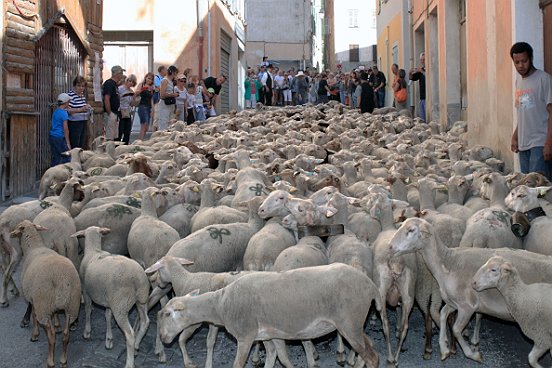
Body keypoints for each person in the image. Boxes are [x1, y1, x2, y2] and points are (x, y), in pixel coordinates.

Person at [510, 42, 552, 179]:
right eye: (517, 62)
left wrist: (548, 143)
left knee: (539, 189)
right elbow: (523, 113)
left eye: (524, 61)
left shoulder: (544, 79)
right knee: (527, 191)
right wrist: (515, 136)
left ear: (531, 58)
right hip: (523, 145)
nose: (521, 65)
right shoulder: (519, 82)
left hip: (539, 143)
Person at [66, 76, 91, 149]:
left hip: (83, 121)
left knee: (81, 143)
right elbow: (67, 110)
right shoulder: (70, 95)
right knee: (75, 144)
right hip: (74, 123)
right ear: (74, 86)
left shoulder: (82, 96)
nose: (81, 88)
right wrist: (81, 109)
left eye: (83, 86)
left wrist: (87, 107)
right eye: (79, 85)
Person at [49, 93, 72, 166]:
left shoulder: (56, 112)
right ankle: (62, 172)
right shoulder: (64, 114)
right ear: (66, 103)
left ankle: (52, 172)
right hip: (59, 137)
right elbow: (65, 129)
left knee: (56, 157)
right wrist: (68, 143)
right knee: (67, 156)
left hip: (52, 136)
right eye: (69, 101)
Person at [103, 65, 125, 140]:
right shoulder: (109, 83)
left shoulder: (115, 84)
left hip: (115, 112)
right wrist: (109, 112)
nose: (122, 75)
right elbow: (106, 98)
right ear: (117, 73)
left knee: (114, 136)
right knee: (109, 136)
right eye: (121, 73)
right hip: (111, 112)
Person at [157, 65, 179, 131]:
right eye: (176, 73)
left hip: (170, 105)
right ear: (173, 72)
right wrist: (173, 94)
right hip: (164, 105)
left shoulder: (171, 81)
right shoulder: (165, 80)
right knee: (164, 124)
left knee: (170, 124)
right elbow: (162, 95)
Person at [117, 74, 137, 144]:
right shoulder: (120, 89)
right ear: (127, 80)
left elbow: (132, 104)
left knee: (127, 131)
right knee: (120, 130)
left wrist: (134, 97)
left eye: (133, 82)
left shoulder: (131, 91)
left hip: (128, 112)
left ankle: (125, 145)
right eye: (130, 81)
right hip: (121, 111)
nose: (131, 83)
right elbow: (117, 99)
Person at [135, 72, 154, 140]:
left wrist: (153, 109)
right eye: (148, 78)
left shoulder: (151, 88)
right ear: (145, 78)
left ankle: (140, 139)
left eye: (151, 79)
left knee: (147, 127)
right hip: (142, 106)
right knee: (144, 125)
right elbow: (136, 93)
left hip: (148, 107)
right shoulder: (141, 84)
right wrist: (143, 89)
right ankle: (140, 140)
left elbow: (151, 98)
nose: (149, 80)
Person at [410, 52, 426, 122]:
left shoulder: (429, 69)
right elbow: (412, 78)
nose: (422, 61)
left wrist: (422, 71)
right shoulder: (421, 70)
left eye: (424, 59)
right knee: (422, 120)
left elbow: (430, 78)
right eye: (421, 60)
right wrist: (410, 73)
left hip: (428, 98)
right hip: (421, 98)